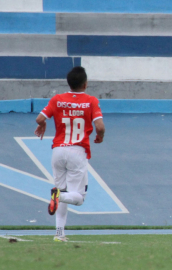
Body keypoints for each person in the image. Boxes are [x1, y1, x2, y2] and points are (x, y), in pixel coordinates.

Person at [34, 66, 105, 242]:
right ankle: (58, 197)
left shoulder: (58, 99)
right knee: (78, 198)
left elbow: (39, 119)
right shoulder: (90, 101)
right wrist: (100, 137)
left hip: (58, 151)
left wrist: (42, 125)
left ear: (69, 83)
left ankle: (59, 233)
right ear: (85, 84)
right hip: (77, 151)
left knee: (61, 191)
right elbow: (100, 126)